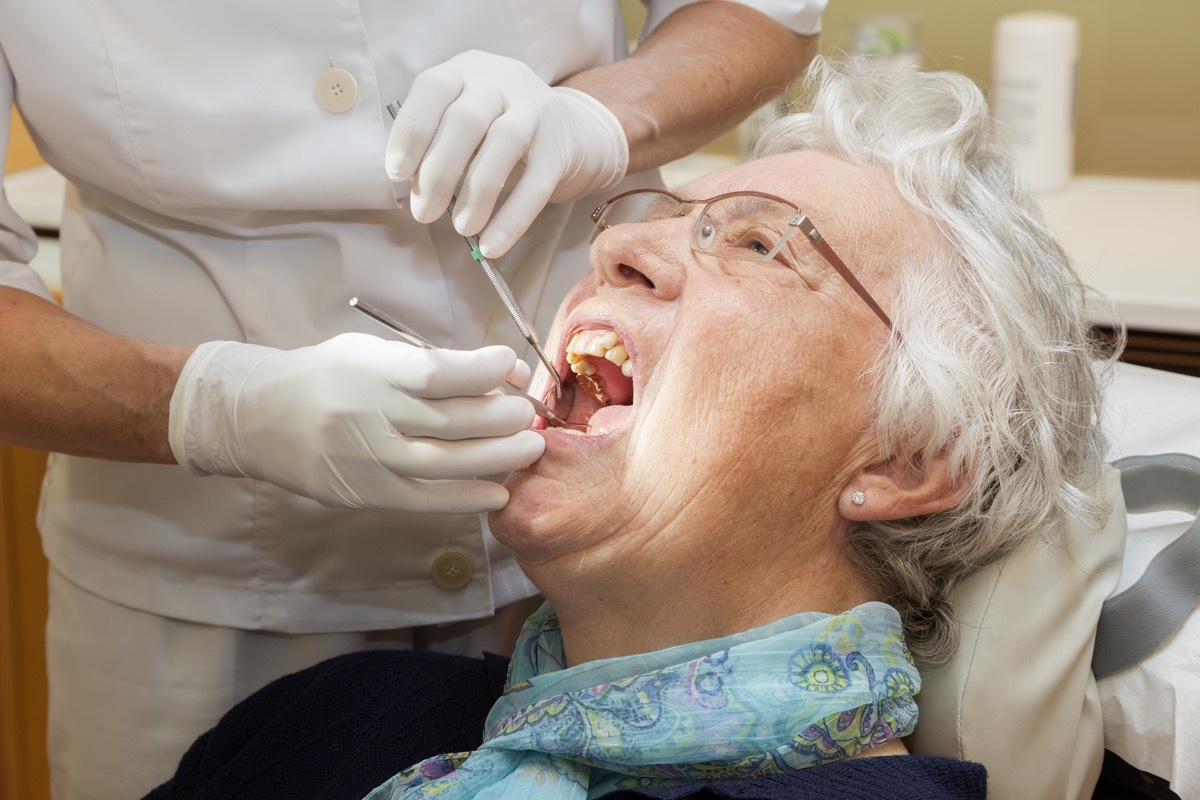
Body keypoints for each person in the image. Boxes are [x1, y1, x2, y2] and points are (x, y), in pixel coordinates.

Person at [143, 57, 1116, 800]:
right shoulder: (335, 716)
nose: (616, 244)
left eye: (758, 242)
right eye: (658, 214)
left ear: (907, 457)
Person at [0, 2, 826, 797]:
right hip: (205, 588)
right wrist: (219, 407)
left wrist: (598, 117)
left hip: (620, 570)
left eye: (754, 244)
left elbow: (763, 11)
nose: (634, 259)